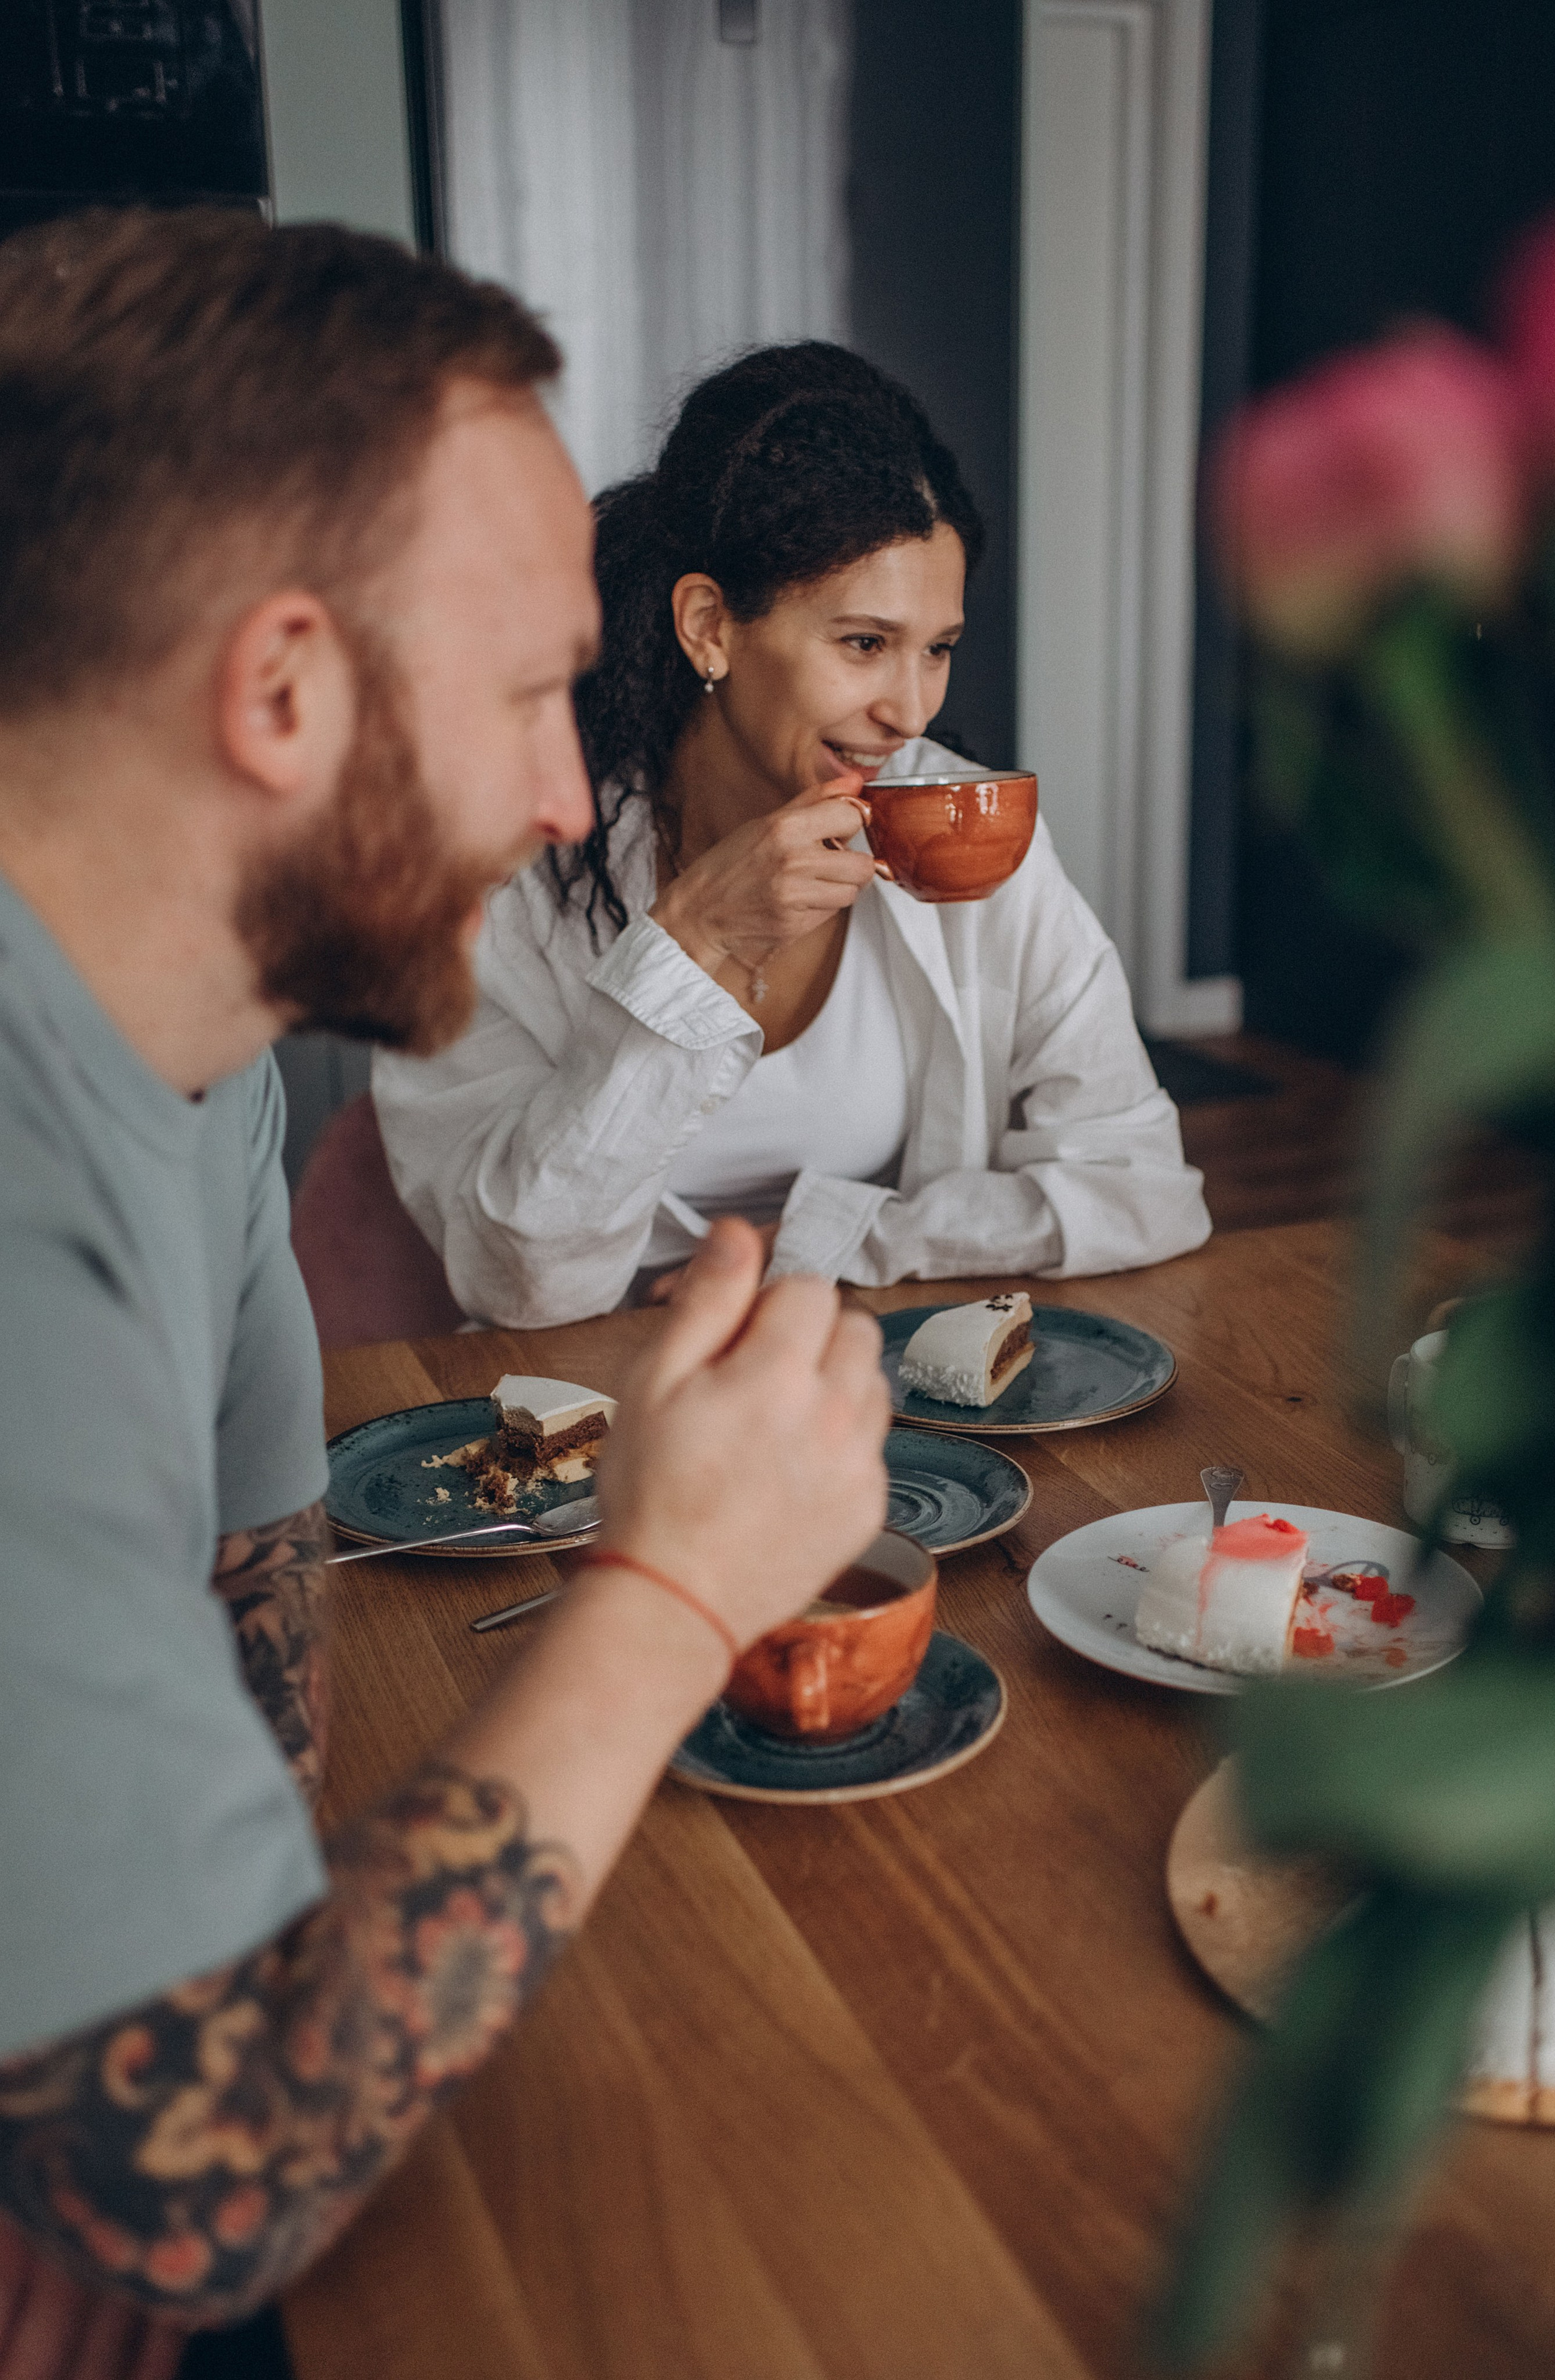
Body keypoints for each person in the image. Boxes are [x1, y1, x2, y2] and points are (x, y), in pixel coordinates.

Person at [0, 209, 889, 2378]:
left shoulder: (186, 1046)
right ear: (279, 689)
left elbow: (246, 1573)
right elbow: (202, 2175)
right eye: (518, 695)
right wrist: (680, 1585)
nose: (566, 790)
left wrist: (193, 1988)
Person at [370, 343, 1212, 1329]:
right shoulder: (510, 866)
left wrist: (834, 1243)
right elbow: (521, 1283)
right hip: (589, 1404)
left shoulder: (967, 825)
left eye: (937, 650)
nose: (909, 710)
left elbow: (1147, 1190)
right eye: (864, 644)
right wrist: (689, 958)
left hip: (883, 1383)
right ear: (710, 627)